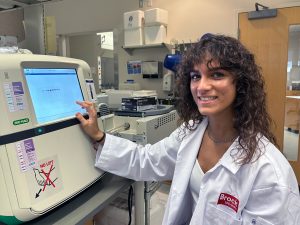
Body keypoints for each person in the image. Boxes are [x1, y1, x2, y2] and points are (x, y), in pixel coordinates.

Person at [76, 34, 300, 225]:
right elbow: (147, 160)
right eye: (195, 76)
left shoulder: (268, 172)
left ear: (240, 83)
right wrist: (99, 136)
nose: (202, 86)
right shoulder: (191, 132)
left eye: (217, 74)